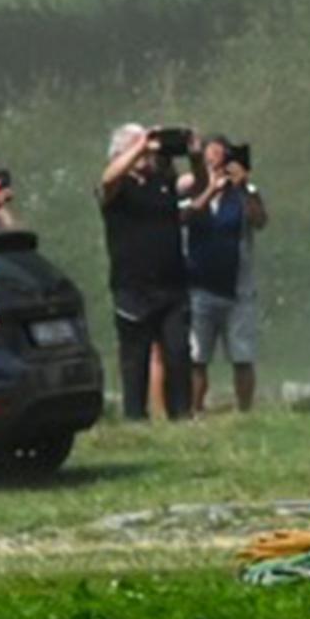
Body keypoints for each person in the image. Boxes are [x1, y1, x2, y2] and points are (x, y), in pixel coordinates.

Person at [96, 123, 194, 423]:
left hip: (172, 284)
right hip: (132, 286)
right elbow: (107, 179)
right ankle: (135, 418)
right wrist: (141, 145)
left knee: (178, 353)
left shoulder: (162, 181)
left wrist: (196, 154)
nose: (147, 152)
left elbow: (196, 184)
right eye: (136, 146)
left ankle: (182, 414)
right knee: (135, 358)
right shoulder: (116, 189)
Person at [182, 134, 266, 413]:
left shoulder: (242, 193)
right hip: (199, 286)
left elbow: (260, 220)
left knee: (243, 356)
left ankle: (245, 410)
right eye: (211, 156)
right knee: (197, 356)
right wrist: (210, 189)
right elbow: (188, 216)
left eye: (222, 156)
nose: (217, 163)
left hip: (238, 288)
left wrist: (245, 186)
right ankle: (195, 409)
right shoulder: (190, 188)